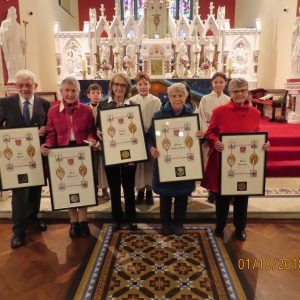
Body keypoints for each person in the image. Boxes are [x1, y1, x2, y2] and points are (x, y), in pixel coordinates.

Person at [201, 78, 270, 241]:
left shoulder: (255, 113)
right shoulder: (219, 111)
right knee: (222, 197)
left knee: (242, 197)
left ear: (247, 92)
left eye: (243, 90)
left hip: (244, 165)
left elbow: (257, 132)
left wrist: (264, 143)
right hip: (222, 161)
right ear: (229, 93)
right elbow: (210, 132)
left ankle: (240, 228)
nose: (239, 94)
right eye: (236, 91)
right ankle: (220, 226)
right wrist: (214, 141)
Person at [0, 69, 50, 249]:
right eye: (20, 85)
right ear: (16, 86)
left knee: (36, 189)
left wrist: (45, 130)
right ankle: (18, 230)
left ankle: (32, 219)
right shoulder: (5, 103)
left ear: (35, 86)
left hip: (36, 156)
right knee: (20, 194)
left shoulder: (44, 104)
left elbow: (49, 126)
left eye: (28, 85)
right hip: (16, 159)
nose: (24, 88)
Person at [43, 76, 96, 239]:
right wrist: (48, 146)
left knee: (83, 185)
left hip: (82, 151)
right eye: (67, 90)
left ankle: (83, 221)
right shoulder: (53, 111)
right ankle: (73, 222)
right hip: (62, 152)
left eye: (73, 90)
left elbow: (91, 131)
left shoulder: (87, 110)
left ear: (79, 93)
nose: (70, 94)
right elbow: (51, 133)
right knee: (68, 186)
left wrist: (91, 140)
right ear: (61, 92)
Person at [148, 83, 204, 236]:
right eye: (174, 96)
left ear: (186, 96)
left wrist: (201, 136)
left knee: (182, 196)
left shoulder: (192, 116)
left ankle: (179, 223)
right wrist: (151, 147)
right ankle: (165, 223)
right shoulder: (159, 115)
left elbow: (199, 142)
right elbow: (150, 137)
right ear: (169, 97)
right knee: (165, 196)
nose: (177, 99)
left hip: (184, 163)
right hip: (165, 163)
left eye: (180, 95)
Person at [96, 73, 137, 230]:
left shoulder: (132, 105)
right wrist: (98, 131)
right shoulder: (103, 105)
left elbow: (136, 133)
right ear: (111, 86)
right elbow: (97, 127)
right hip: (111, 153)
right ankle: (117, 219)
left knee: (128, 186)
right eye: (116, 84)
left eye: (123, 85)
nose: (119, 88)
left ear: (127, 87)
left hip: (129, 155)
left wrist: (135, 155)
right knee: (114, 187)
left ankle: (131, 218)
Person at [129, 72, 161, 205]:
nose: (142, 87)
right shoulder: (132, 101)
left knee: (150, 166)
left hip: (151, 137)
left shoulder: (156, 101)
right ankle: (140, 191)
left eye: (145, 84)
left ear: (150, 85)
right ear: (136, 86)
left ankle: (149, 191)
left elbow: (158, 119)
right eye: (140, 84)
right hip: (137, 137)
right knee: (139, 167)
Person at [199, 72, 230, 203]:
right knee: (209, 165)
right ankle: (211, 191)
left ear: (225, 83)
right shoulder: (205, 99)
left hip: (223, 137)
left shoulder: (228, 100)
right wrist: (208, 134)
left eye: (221, 82)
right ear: (211, 83)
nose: (218, 84)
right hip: (209, 135)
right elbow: (201, 116)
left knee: (223, 164)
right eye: (215, 82)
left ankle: (224, 189)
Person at [87, 83, 110, 201]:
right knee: (92, 166)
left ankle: (105, 189)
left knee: (102, 167)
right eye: (93, 93)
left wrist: (100, 142)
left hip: (103, 142)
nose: (96, 95)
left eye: (98, 93)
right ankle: (94, 188)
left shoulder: (105, 107)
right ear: (88, 95)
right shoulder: (86, 109)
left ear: (101, 95)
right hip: (90, 142)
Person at [0, 7, 25, 82]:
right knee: (11, 62)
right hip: (10, 45)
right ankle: (12, 78)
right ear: (9, 14)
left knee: (19, 62)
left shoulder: (18, 25)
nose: (13, 15)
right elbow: (2, 33)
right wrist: (8, 30)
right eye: (11, 13)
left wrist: (24, 43)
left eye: (14, 13)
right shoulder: (5, 23)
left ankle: (19, 77)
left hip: (18, 47)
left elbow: (22, 37)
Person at [291, 13, 300, 77]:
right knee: (296, 57)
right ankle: (296, 72)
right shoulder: (298, 21)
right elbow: (294, 30)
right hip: (298, 40)